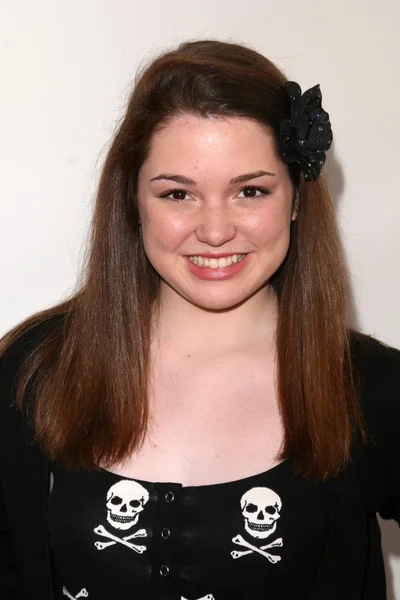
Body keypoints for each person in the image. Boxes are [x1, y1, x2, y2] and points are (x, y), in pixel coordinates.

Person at [0, 38, 399, 600]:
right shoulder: (35, 370)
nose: (215, 231)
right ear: (133, 200)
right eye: (178, 195)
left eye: (250, 191)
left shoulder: (371, 388)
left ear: (295, 198)